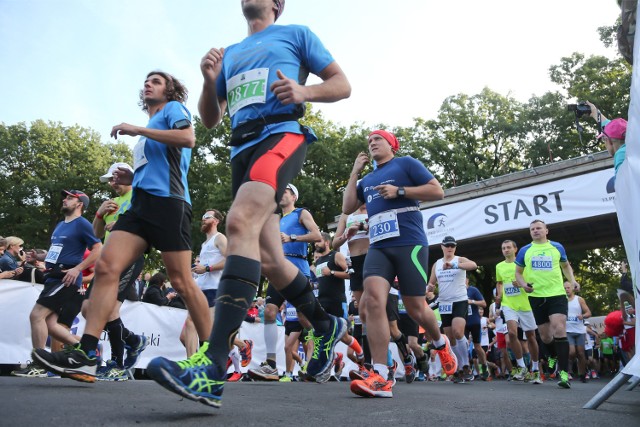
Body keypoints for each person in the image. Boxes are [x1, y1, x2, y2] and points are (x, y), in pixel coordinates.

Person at [143, 0, 351, 407]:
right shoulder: (230, 52)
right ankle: (326, 325)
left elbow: (342, 84)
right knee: (270, 260)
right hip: (241, 150)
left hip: (280, 135)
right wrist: (208, 80)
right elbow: (209, 119)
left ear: (278, 4)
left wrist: (304, 90)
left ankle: (213, 367)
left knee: (237, 223)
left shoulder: (297, 34)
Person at [32, 71, 212, 384]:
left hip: (169, 202)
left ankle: (214, 357)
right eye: (146, 81)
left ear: (169, 90)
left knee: (182, 281)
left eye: (156, 81)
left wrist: (135, 128)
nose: (148, 84)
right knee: (106, 269)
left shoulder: (173, 110)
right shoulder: (147, 133)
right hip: (140, 207)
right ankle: (86, 354)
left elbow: (188, 139)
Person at [342, 129, 456, 398]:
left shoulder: (406, 163)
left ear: (392, 144)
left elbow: (437, 191)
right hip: (379, 246)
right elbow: (347, 207)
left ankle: (440, 342)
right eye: (369, 141)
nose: (372, 143)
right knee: (371, 302)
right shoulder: (367, 179)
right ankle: (381, 375)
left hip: (409, 243)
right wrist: (354, 173)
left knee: (416, 307)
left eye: (377, 139)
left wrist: (400, 191)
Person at [13, 190, 101, 378]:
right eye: (65, 197)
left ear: (79, 204)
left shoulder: (82, 224)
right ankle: (86, 351)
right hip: (52, 276)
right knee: (51, 325)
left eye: (70, 198)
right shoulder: (61, 224)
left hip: (65, 277)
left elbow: (98, 249)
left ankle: (40, 364)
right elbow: (55, 250)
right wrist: (39, 257)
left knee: (36, 315)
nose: (65, 199)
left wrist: (77, 269)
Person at [249, 183, 321, 381]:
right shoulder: (276, 220)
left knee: (303, 316)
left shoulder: (301, 213)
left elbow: (317, 235)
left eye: (286, 192)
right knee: (270, 312)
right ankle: (271, 364)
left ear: (294, 196)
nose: (281, 195)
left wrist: (292, 237)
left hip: (298, 269)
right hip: (278, 269)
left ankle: (321, 349)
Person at [88, 162, 148, 381]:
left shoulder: (138, 196)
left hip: (129, 257)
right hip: (107, 260)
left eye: (115, 178)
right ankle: (133, 341)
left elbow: (148, 223)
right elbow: (96, 234)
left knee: (110, 309)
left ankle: (118, 364)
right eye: (109, 180)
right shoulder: (111, 203)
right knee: (88, 309)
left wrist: (123, 225)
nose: (112, 183)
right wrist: (98, 214)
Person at [515, 219, 580, 389]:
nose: (535, 231)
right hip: (536, 296)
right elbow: (518, 273)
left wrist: (572, 280)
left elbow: (566, 266)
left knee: (559, 328)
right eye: (532, 229)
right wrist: (523, 285)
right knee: (545, 336)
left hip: (556, 294)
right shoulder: (524, 250)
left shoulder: (557, 247)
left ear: (546, 230)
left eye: (538, 228)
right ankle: (552, 356)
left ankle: (564, 374)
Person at [427, 236, 478, 383]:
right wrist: (427, 290)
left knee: (458, 332)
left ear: (455, 247)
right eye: (447, 245)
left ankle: (466, 365)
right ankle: (458, 368)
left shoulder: (459, 259)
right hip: (444, 302)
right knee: (450, 338)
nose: (450, 248)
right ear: (442, 247)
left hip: (460, 300)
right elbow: (431, 284)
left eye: (452, 246)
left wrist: (454, 266)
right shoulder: (436, 264)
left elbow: (474, 265)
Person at [495, 240, 541, 384]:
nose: (506, 250)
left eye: (509, 247)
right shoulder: (499, 266)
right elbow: (500, 282)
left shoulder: (524, 264)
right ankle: (521, 366)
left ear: (515, 249)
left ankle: (535, 369)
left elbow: (533, 284)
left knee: (530, 336)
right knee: (512, 334)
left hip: (526, 304)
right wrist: (499, 294)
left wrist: (522, 284)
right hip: (509, 304)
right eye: (503, 248)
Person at [585, 101, 627, 176]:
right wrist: (595, 112)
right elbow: (614, 128)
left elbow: (623, 184)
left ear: (609, 141)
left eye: (604, 140)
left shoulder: (621, 154)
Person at [564, 281, 591, 382]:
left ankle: (582, 374)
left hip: (580, 331)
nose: (566, 289)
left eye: (568, 287)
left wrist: (582, 316)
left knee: (580, 354)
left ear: (572, 288)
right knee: (571, 352)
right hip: (568, 331)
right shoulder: (562, 300)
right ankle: (568, 371)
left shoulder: (579, 299)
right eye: (565, 288)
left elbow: (588, 313)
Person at [464, 278, 488, 381]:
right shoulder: (456, 291)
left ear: (467, 280)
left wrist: (472, 301)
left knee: (477, 346)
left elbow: (484, 304)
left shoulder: (473, 290)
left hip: (474, 321)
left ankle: (484, 367)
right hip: (462, 322)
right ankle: (465, 370)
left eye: (464, 278)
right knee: (463, 345)